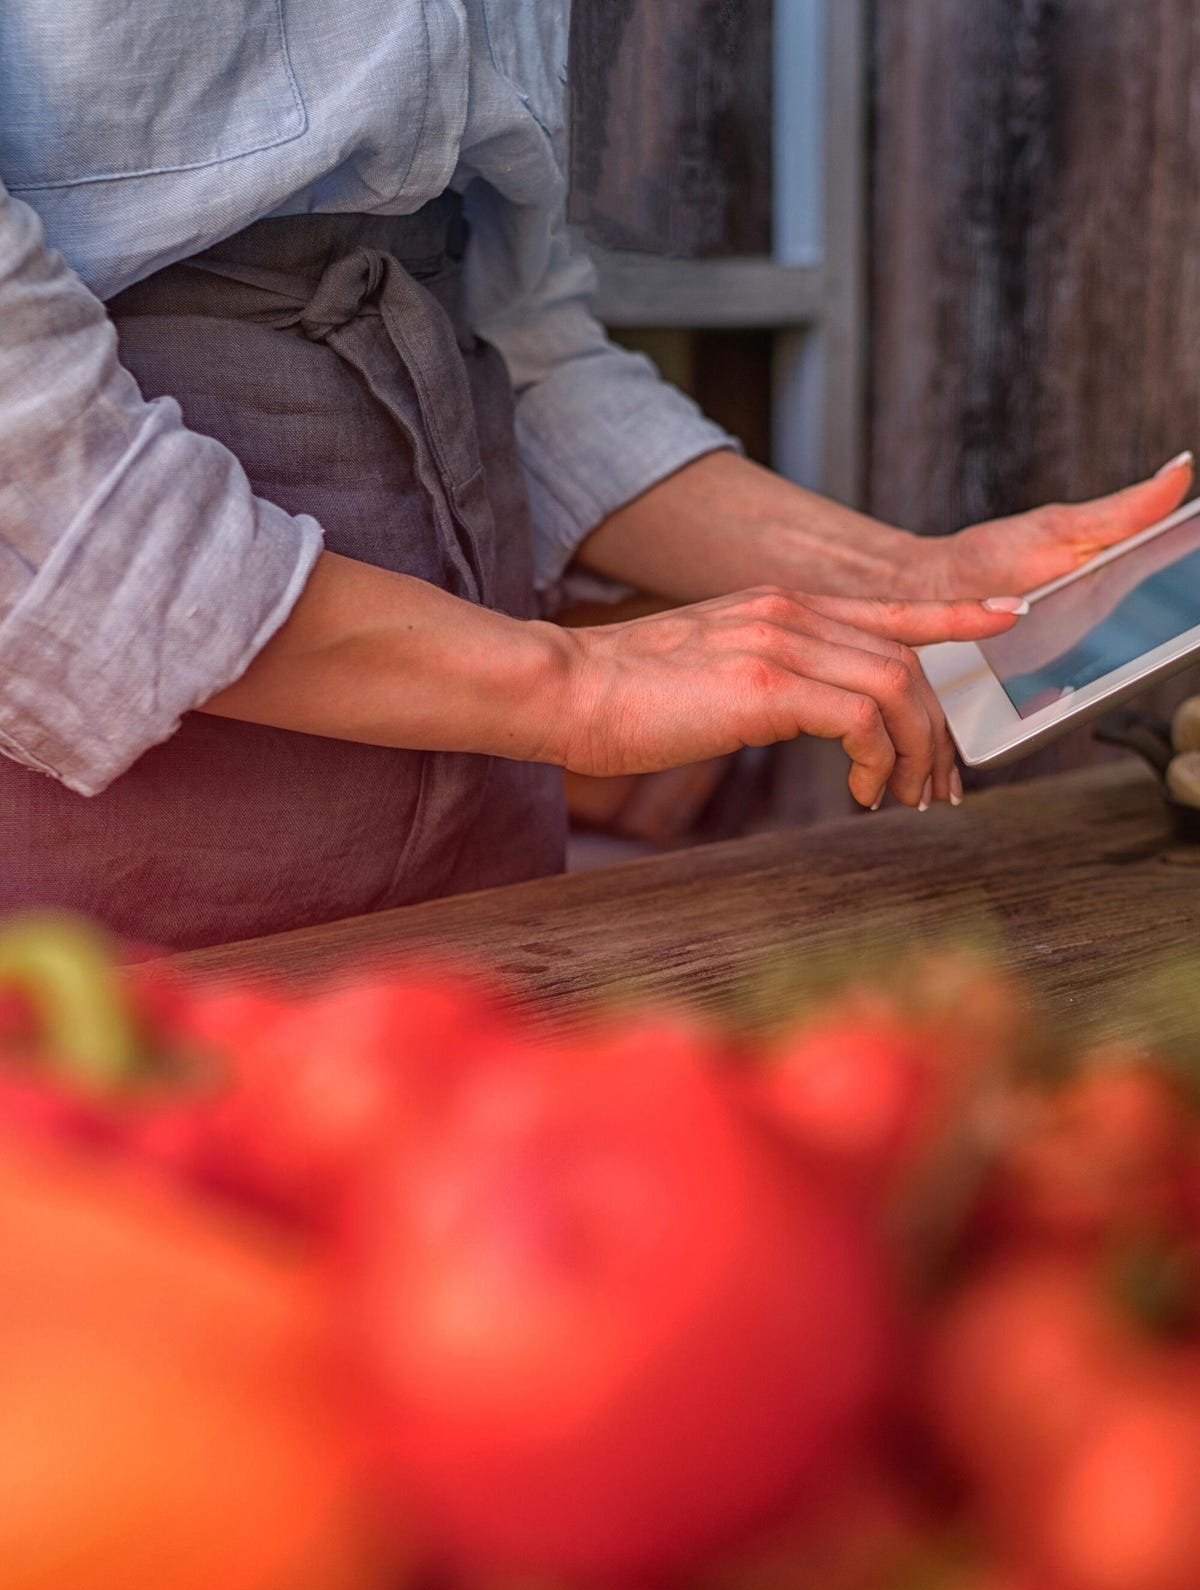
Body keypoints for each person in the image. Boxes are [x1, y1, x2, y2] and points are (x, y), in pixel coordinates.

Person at [0, 1, 1191, 949]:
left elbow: (522, 342)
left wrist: (915, 579)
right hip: (139, 787)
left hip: (474, 738)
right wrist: (568, 684)